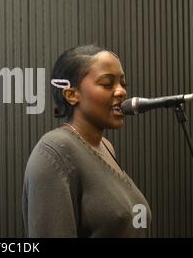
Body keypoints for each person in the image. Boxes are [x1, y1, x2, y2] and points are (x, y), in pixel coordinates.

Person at [22, 44, 151, 237]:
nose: (121, 92)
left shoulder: (106, 148)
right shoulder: (54, 152)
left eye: (123, 84)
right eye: (107, 84)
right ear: (72, 95)